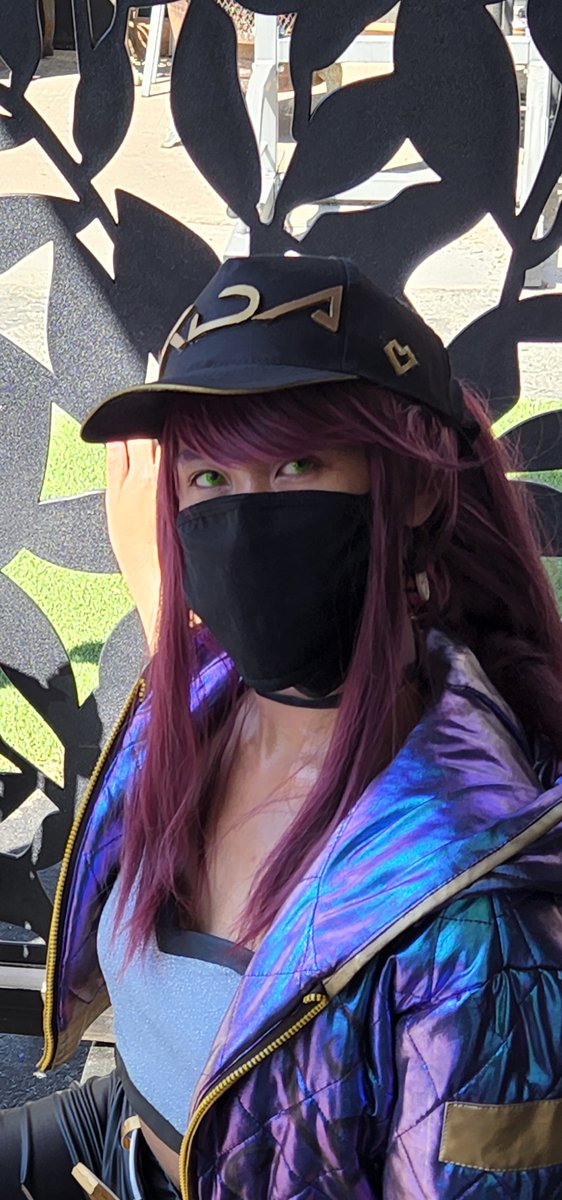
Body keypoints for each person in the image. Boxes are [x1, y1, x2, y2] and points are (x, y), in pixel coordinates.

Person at [3, 252, 562, 1199]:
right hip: (118, 1133)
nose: (246, 523)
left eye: (299, 463)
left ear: (415, 487)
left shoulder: (480, 932)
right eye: (209, 475)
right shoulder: (198, 703)